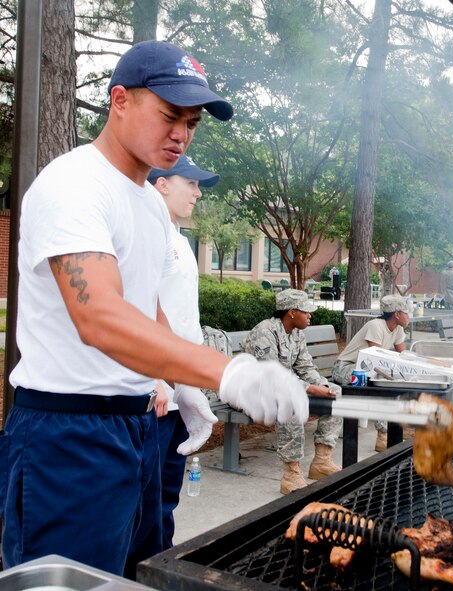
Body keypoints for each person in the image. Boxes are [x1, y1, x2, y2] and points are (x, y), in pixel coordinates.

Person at [1, 40, 309, 578]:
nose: (181, 135)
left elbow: (146, 305)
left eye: (191, 123)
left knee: (137, 576)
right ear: (119, 99)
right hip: (69, 437)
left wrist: (183, 379)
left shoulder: (147, 200)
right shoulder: (73, 185)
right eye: (170, 116)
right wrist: (228, 371)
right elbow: (99, 315)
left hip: (140, 429)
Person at [146, 154, 221, 551]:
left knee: (166, 498)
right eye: (189, 182)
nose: (197, 192)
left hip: (180, 390)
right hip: (156, 391)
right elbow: (138, 308)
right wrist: (155, 378)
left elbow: (182, 319)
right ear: (161, 184)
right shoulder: (148, 234)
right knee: (147, 504)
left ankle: (161, 568)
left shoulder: (181, 241)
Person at [241, 290, 342, 494]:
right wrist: (308, 388)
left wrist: (322, 386)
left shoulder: (297, 334)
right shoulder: (265, 331)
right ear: (292, 312)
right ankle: (291, 474)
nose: (310, 316)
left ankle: (321, 461)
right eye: (306, 312)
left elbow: (305, 367)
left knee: (335, 392)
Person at [332, 295, 410, 452]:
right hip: (345, 368)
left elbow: (404, 357)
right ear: (397, 314)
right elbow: (377, 360)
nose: (409, 317)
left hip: (365, 370)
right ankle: (383, 435)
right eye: (406, 312)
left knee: (400, 379)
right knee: (380, 382)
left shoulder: (398, 329)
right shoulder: (375, 326)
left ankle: (401, 425)